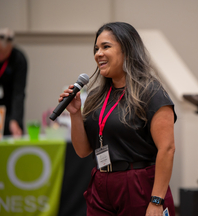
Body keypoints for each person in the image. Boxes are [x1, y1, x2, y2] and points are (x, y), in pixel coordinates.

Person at [59, 22, 177, 216]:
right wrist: (75, 114)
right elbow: (82, 151)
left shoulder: (151, 92)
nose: (98, 54)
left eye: (106, 47)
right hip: (101, 182)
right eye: (96, 49)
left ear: (127, 50)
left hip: (138, 184)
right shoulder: (97, 96)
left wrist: (156, 201)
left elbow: (167, 148)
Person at [0, 28, 28, 137]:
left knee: (14, 129)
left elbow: (18, 93)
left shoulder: (19, 59)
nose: (1, 56)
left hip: (10, 107)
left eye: (4, 52)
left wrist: (15, 119)